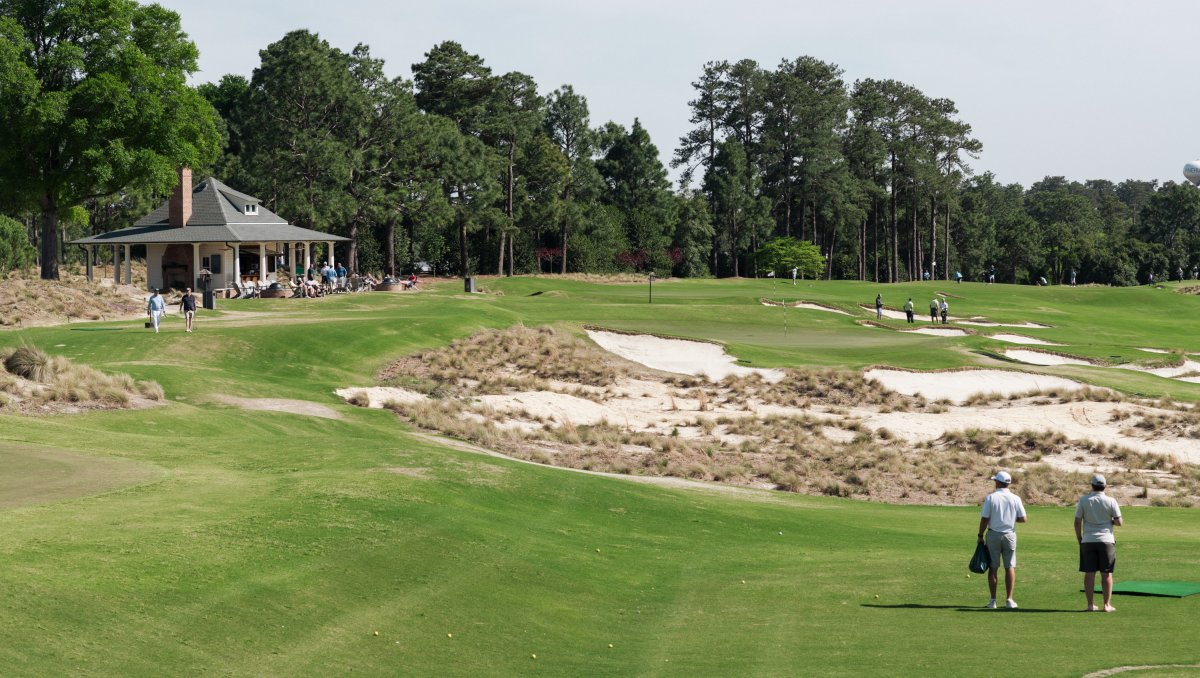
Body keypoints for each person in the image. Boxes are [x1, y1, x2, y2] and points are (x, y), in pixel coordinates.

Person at [977, 470, 1027, 609]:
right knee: (1009, 566)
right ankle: (1009, 600)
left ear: (998, 482)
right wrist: (1010, 518)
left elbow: (985, 519)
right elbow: (1023, 519)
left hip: (993, 534)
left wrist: (980, 535)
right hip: (1010, 535)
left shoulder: (991, 498)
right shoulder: (1015, 498)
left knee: (993, 567)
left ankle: (993, 601)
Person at [1075, 474, 1123, 612]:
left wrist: (1079, 538)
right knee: (1106, 573)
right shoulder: (1111, 501)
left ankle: (1090, 605)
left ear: (1092, 485)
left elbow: (1077, 521)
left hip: (1088, 539)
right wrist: (1109, 521)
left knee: (1089, 573)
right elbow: (1119, 522)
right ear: (1105, 486)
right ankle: (1107, 605)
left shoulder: (1084, 500)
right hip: (1106, 540)